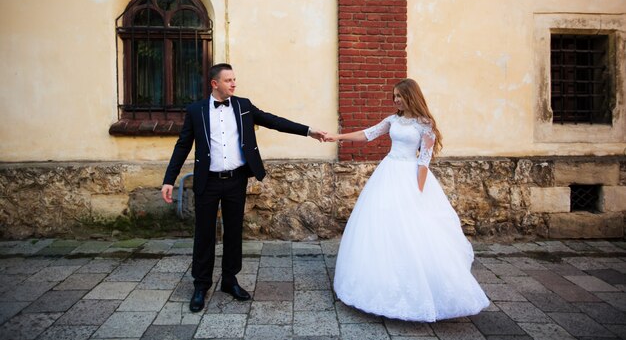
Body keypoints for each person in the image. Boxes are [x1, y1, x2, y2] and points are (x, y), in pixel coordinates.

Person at [161, 63, 326, 312]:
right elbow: (183, 145)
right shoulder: (196, 111)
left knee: (234, 232)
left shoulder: (243, 106)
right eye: (229, 80)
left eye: (235, 79)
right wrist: (169, 179)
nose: (234, 84)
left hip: (236, 180)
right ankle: (201, 285)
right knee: (204, 234)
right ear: (214, 84)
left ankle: (229, 280)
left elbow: (273, 121)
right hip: (208, 182)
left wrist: (308, 131)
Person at [325, 78, 489, 321]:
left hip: (410, 176)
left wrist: (417, 191)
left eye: (399, 96)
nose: (395, 101)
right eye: (394, 97)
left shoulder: (426, 124)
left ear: (411, 96)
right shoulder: (393, 120)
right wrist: (337, 137)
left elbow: (424, 160)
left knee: (413, 228)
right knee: (381, 225)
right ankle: (379, 278)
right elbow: (368, 134)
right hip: (388, 172)